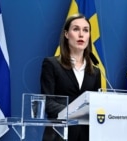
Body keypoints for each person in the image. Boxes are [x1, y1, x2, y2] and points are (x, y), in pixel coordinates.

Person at [40, 13, 101, 141]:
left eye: (85, 30)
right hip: (59, 135)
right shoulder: (51, 64)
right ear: (67, 34)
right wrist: (77, 113)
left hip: (87, 136)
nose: (81, 34)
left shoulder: (95, 72)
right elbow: (47, 102)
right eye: (76, 29)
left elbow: (97, 104)